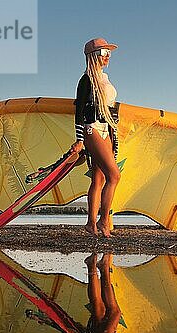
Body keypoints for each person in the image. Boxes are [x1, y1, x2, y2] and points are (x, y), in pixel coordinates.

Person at [71, 37, 121, 238]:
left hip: (105, 129)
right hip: (91, 128)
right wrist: (80, 139)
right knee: (114, 176)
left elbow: (109, 107)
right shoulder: (86, 79)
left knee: (99, 178)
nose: (107, 55)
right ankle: (103, 220)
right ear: (93, 56)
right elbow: (79, 111)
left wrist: (112, 132)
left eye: (108, 52)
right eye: (102, 52)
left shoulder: (105, 78)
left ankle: (91, 224)